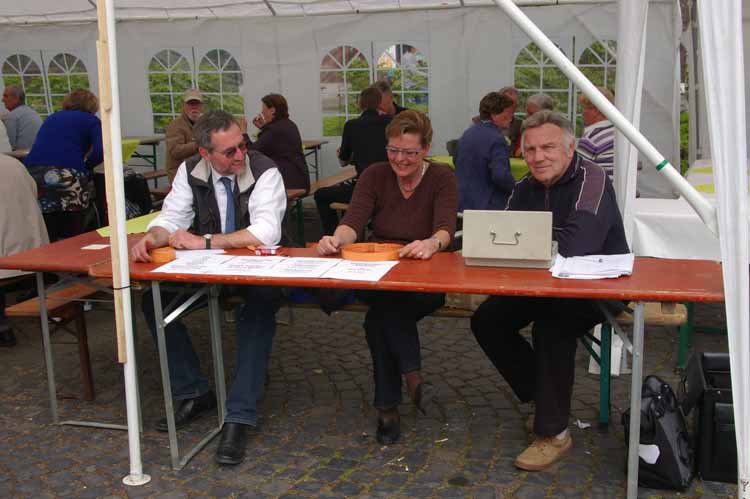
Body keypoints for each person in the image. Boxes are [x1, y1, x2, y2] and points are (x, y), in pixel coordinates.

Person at [470, 111, 628, 471]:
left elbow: (578, 244)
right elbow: (504, 239)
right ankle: (545, 398)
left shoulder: (592, 178)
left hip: (598, 284)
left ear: (570, 149)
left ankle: (553, 432)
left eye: (548, 147)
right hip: (542, 284)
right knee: (487, 321)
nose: (538, 156)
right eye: (530, 149)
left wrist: (524, 243)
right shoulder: (524, 187)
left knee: (552, 328)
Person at [131, 110, 286, 466]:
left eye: (242, 145)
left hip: (261, 270)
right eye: (229, 151)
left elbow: (266, 232)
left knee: (258, 310)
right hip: (209, 269)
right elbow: (171, 218)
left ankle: (239, 415)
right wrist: (152, 237)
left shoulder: (264, 170)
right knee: (153, 302)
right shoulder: (190, 171)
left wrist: (204, 241)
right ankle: (193, 391)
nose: (241, 155)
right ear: (204, 153)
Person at [317, 110, 458, 444]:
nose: (400, 159)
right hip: (378, 271)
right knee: (386, 303)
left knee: (379, 318)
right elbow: (353, 221)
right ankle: (411, 378)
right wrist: (336, 239)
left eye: (409, 152)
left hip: (425, 276)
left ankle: (388, 407)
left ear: (426, 149)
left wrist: (431, 243)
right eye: (393, 150)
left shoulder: (442, 177)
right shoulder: (375, 175)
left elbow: (445, 228)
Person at [24, 89, 103, 241]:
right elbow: (100, 150)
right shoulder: (91, 120)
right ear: (92, 105)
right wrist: (87, 167)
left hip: (34, 171)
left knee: (47, 221)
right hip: (68, 172)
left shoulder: (52, 117)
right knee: (73, 224)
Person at [314, 86, 392, 235]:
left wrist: (343, 155)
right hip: (391, 187)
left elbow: (343, 161)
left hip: (363, 188)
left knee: (320, 195)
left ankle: (333, 235)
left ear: (360, 104)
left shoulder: (351, 125)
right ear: (380, 102)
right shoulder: (392, 123)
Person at [0, 154, 49, 347]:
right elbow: (34, 192)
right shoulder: (13, 163)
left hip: (8, 259)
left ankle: (3, 328)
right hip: (32, 248)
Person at [454, 91, 516, 211]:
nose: (511, 118)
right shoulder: (497, 139)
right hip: (488, 206)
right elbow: (500, 176)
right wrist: (517, 189)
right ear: (494, 115)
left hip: (462, 203)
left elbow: (456, 160)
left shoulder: (468, 133)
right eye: (508, 113)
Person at [247, 93, 309, 193]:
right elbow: (274, 142)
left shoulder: (273, 129)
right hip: (300, 178)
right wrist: (264, 128)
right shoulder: (289, 124)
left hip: (288, 182)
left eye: (264, 108)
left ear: (272, 110)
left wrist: (243, 133)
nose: (262, 112)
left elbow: (252, 151)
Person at [577, 87, 616, 181]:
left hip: (601, 187)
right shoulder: (619, 132)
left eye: (585, 108)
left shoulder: (591, 138)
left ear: (597, 110)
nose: (582, 113)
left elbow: (578, 171)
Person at [165, 89, 204, 182]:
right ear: (183, 106)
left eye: (197, 104)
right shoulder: (175, 125)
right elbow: (175, 151)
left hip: (198, 171)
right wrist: (200, 144)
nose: (194, 107)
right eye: (190, 104)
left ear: (202, 106)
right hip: (180, 175)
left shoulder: (203, 122)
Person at [1, 85, 43, 151]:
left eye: (5, 96)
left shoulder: (12, 116)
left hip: (22, 155)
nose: (2, 100)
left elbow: (9, 146)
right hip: (39, 152)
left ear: (16, 99)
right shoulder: (33, 112)